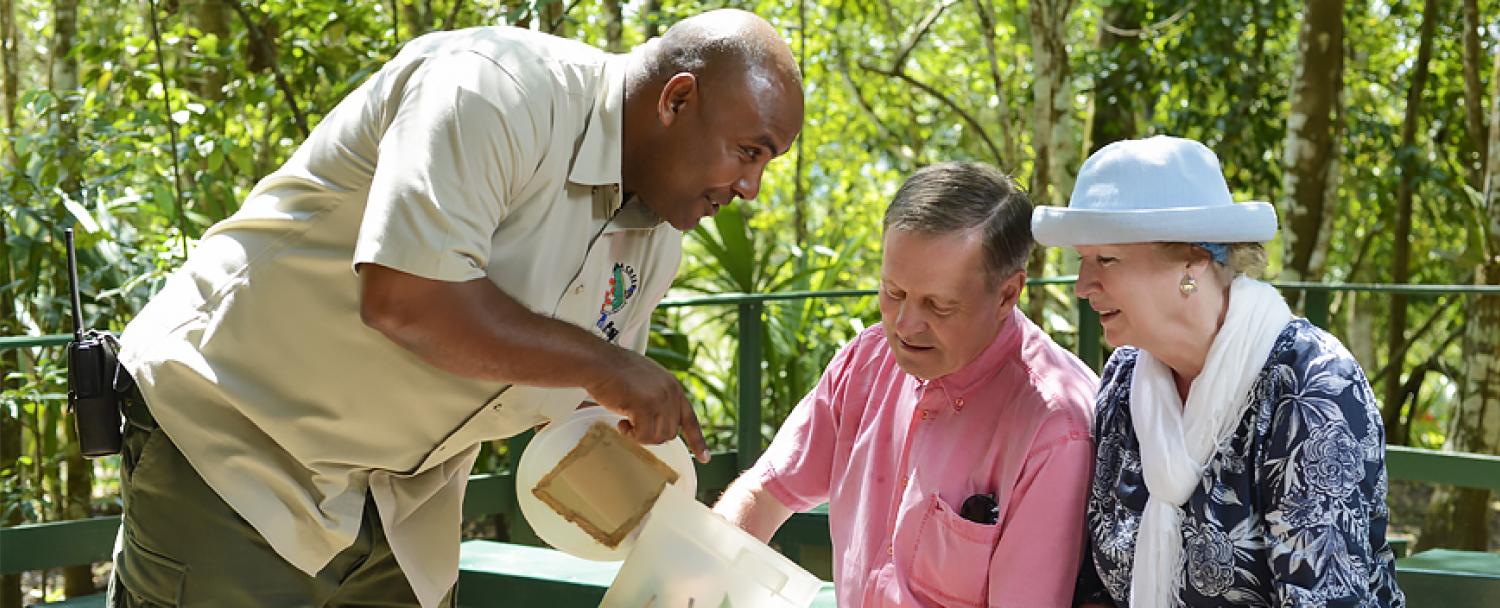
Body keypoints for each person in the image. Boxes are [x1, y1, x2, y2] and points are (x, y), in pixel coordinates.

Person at [109, 10, 803, 607]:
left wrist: (672, 530)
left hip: (406, 509)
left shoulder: (652, 243)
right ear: (676, 100)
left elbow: (585, 412)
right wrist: (608, 366)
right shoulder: (492, 88)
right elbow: (408, 298)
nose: (751, 187)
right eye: (748, 153)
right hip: (241, 444)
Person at [1031, 136, 1405, 607]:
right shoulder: (1126, 380)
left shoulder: (1311, 386)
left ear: (1194, 259)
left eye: (1106, 259)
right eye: (1083, 260)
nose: (1084, 285)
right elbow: (1095, 591)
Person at [713, 162, 1100, 607]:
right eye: (892, 293)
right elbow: (765, 491)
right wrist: (691, 575)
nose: (905, 325)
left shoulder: (1054, 428)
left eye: (938, 306)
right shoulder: (867, 360)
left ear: (1008, 294)